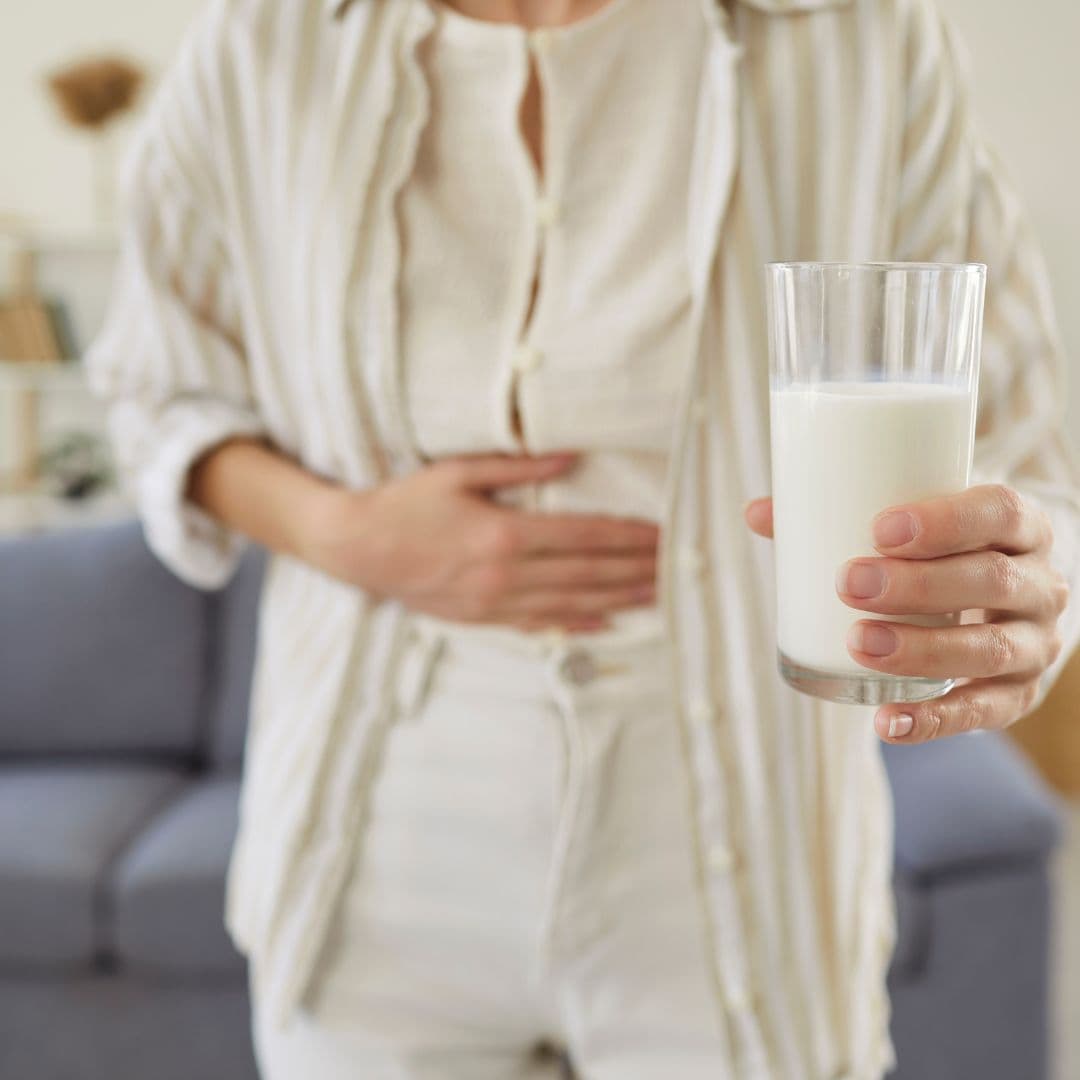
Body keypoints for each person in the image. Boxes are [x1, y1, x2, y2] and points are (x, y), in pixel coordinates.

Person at [87, 0, 1079, 1076]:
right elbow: (154, 384)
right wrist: (343, 533)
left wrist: (1021, 589)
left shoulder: (862, 34)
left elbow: (1031, 463)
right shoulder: (265, 40)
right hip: (373, 841)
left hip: (735, 854)